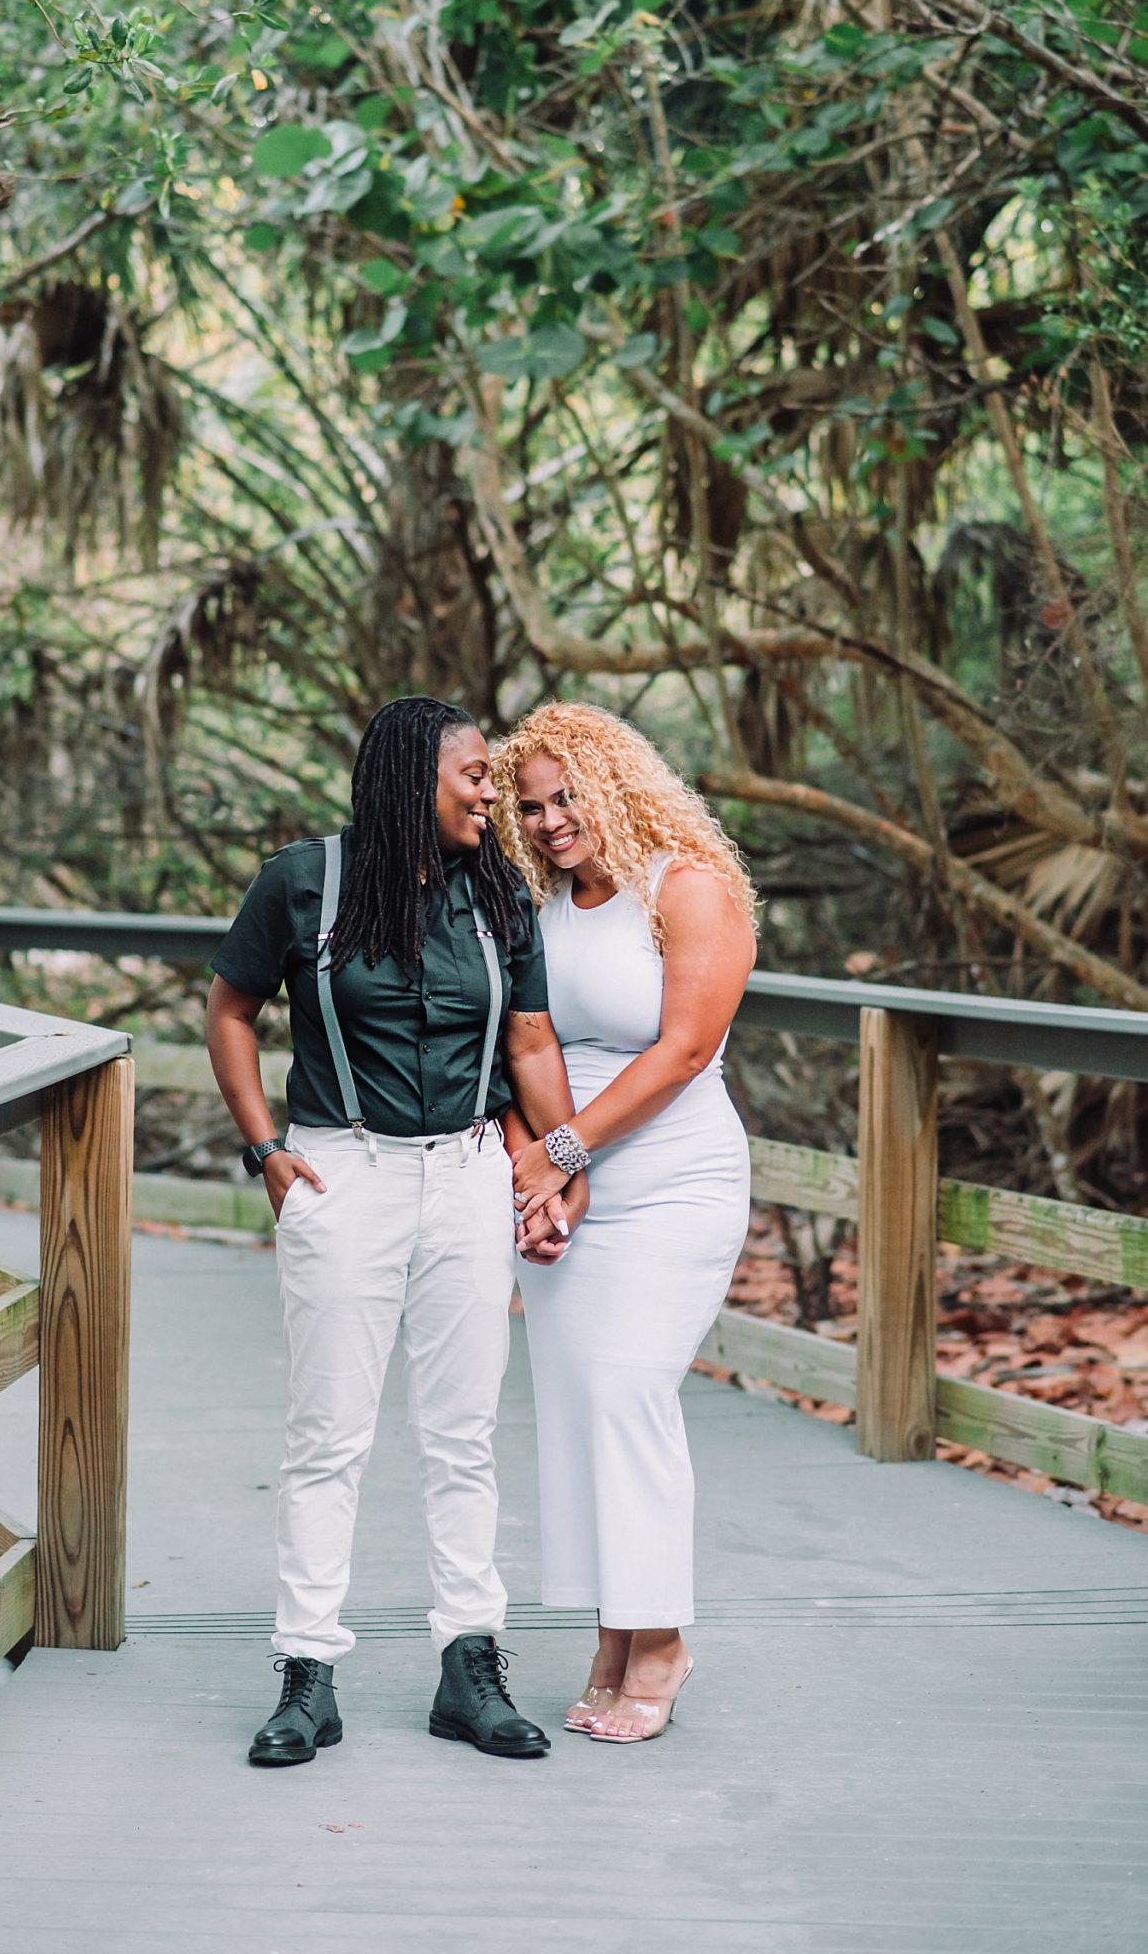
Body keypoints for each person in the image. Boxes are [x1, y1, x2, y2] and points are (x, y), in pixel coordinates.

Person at [206, 695, 586, 1768]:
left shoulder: (495, 891)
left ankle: (468, 1666)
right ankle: (306, 1673)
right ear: (407, 777)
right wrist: (262, 1148)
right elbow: (228, 1008)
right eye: (471, 773)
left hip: (466, 1175)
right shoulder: (302, 883)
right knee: (328, 1433)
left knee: (462, 1432)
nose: (489, 791)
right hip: (342, 1171)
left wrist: (562, 1169)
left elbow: (530, 1041)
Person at [492, 701, 757, 1745]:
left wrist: (562, 1151)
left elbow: (685, 1048)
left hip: (671, 1181)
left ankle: (661, 1643)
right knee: (574, 1406)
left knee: (625, 1392)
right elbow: (516, 1041)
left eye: (567, 796)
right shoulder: (545, 906)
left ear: (616, 782)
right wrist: (532, 1165)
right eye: (532, 806)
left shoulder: (685, 887)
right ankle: (613, 1633)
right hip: (565, 1183)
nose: (552, 820)